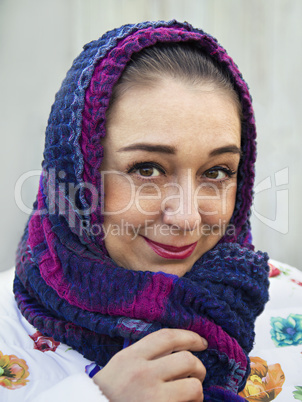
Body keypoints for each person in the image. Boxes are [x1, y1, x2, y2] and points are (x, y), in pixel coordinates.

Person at [1, 20, 301, 402]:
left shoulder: (291, 306)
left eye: (217, 172)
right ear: (76, 179)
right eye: (147, 170)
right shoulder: (7, 331)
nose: (187, 217)